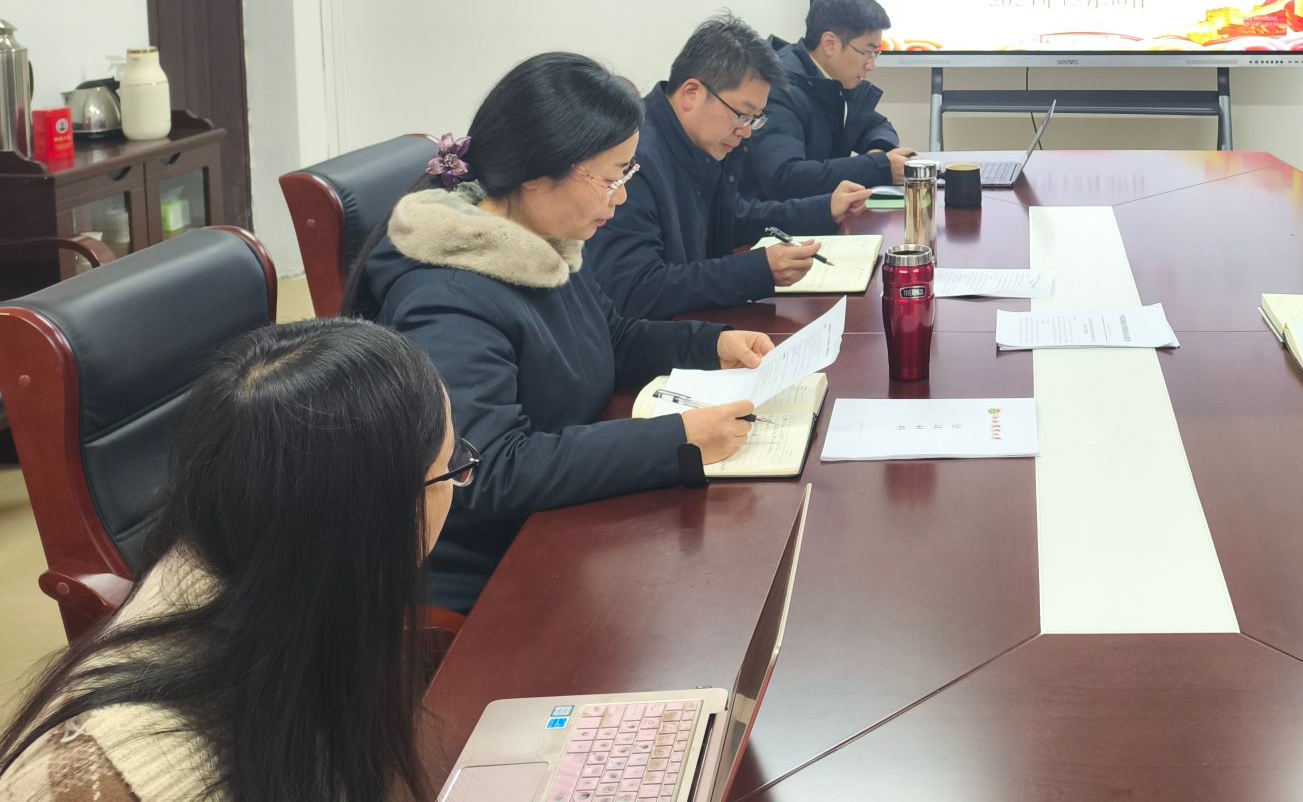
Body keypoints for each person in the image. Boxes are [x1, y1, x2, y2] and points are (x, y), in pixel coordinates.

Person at [346, 52, 771, 613]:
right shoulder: (447, 295)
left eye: (627, 175)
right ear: (536, 173)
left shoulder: (541, 239)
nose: (622, 196)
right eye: (612, 178)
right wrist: (677, 439)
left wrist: (712, 344)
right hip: (498, 570)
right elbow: (487, 470)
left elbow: (610, 337)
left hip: (561, 516)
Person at [0, 319, 461, 802]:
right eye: (451, 466)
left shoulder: (287, 583)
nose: (457, 482)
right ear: (379, 510)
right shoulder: (113, 779)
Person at [585, 13, 870, 318]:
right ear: (692, 93)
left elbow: (733, 218)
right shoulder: (633, 160)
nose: (746, 131)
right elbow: (636, 290)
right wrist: (758, 271)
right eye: (742, 115)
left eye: (755, 119)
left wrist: (824, 208)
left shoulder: (700, 143)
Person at [745, 0, 915, 200]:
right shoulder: (780, 87)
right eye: (867, 52)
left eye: (876, 53)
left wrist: (880, 153)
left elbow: (875, 125)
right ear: (830, 44)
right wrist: (876, 168)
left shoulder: (833, 79)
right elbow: (786, 178)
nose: (871, 65)